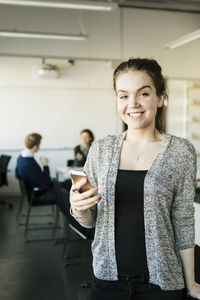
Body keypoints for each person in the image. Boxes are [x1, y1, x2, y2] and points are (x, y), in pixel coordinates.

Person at [69, 58, 200, 300]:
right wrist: (79, 209)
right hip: (107, 282)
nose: (133, 104)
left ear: (160, 98)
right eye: (123, 95)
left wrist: (190, 282)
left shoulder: (181, 151)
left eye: (144, 93)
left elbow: (183, 221)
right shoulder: (100, 150)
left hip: (163, 283)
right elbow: (90, 221)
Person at [16, 133, 67, 213]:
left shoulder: (21, 158)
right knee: (66, 193)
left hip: (36, 189)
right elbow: (45, 183)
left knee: (67, 184)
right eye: (39, 144)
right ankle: (72, 220)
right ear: (36, 146)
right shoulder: (29, 164)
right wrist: (45, 165)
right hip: (40, 193)